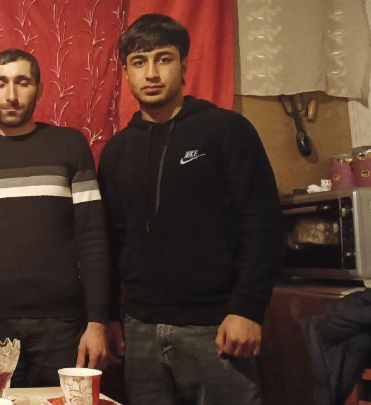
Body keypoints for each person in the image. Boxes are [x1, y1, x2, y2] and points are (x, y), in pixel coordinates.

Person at [98, 14, 282, 405]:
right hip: (140, 331)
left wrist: (247, 309)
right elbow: (111, 240)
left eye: (163, 59)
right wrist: (110, 315)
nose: (151, 73)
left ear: (184, 65)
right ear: (126, 72)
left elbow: (262, 224)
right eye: (139, 62)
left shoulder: (227, 130)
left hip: (216, 327)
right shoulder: (115, 152)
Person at [0, 49, 113, 387]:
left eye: (22, 82)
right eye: (1, 83)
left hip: (62, 323)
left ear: (39, 89)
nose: (11, 95)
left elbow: (93, 237)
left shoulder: (70, 145)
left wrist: (98, 322)